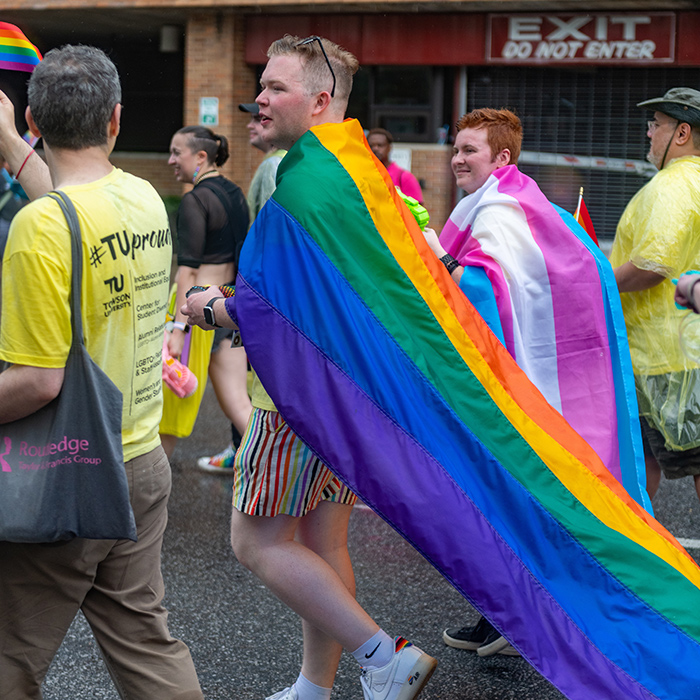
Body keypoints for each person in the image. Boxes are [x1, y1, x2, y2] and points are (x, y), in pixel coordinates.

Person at [183, 35, 437, 700]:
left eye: (275, 88)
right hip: (344, 394)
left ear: (321, 100)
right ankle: (314, 687)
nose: (256, 100)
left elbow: (278, 310)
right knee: (323, 545)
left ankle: (384, 657)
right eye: (260, 85)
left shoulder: (300, 182)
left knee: (255, 542)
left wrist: (212, 308)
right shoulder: (357, 172)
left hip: (295, 396)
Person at [0, 45, 203, 699]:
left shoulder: (40, 229)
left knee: (10, 652)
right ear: (116, 120)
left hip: (67, 470)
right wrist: (9, 144)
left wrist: (10, 140)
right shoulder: (143, 198)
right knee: (145, 641)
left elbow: (38, 381)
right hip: (140, 459)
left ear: (35, 116)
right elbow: (66, 209)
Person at [422, 108, 648, 657]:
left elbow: (481, 289)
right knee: (507, 498)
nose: (457, 159)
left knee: (505, 496)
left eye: (469, 150)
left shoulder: (500, 209)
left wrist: (433, 255)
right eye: (455, 148)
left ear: (502, 158)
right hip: (533, 378)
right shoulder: (512, 202)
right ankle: (506, 613)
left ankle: (516, 617)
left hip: (518, 385)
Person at [610, 88, 700, 503]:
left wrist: (601, 281)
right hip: (682, 353)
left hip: (667, 362)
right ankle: (632, 561)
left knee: (644, 465)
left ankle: (630, 562)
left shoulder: (671, 187)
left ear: (681, 132)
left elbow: (652, 265)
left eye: (656, 125)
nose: (648, 134)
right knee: (639, 461)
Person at [196, 104, 286, 472]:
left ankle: (249, 453)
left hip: (256, 291)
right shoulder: (288, 163)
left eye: (259, 118)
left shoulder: (272, 167)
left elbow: (268, 236)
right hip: (268, 293)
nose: (250, 125)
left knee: (251, 381)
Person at [159, 125, 252, 469]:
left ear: (201, 157)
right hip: (228, 306)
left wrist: (176, 328)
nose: (171, 160)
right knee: (239, 404)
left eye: (176, 153)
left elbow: (188, 271)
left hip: (193, 310)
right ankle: (283, 471)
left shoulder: (195, 200)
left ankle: (147, 494)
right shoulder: (235, 194)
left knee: (170, 406)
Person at [367, 127, 423, 203]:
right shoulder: (362, 175)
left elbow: (418, 210)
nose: (375, 149)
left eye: (380, 145)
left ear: (389, 147)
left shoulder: (404, 177)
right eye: (371, 146)